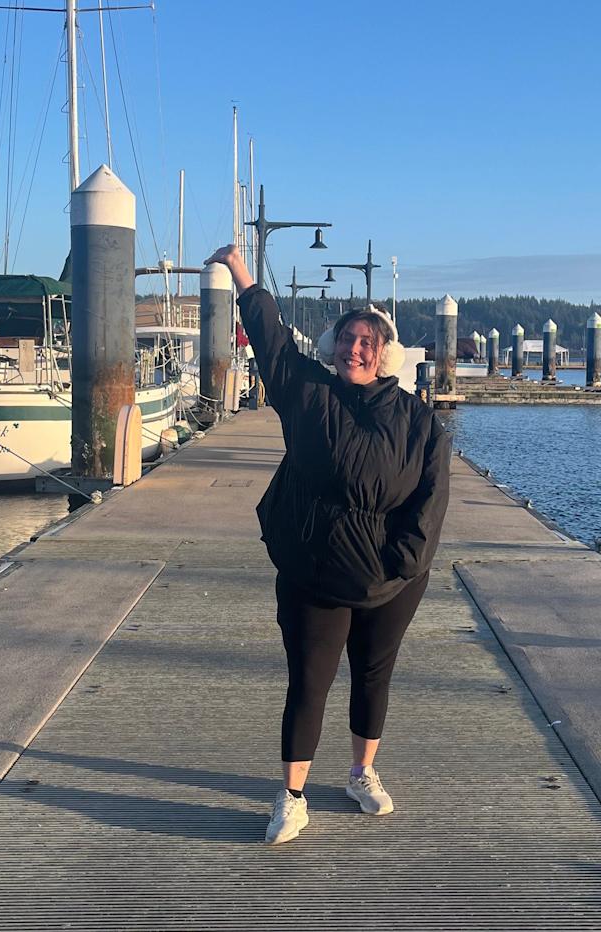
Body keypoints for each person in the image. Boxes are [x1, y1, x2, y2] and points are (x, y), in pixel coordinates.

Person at [205, 245, 450, 845]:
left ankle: (362, 774)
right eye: (346, 339)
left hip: (390, 582)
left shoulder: (419, 422)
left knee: (373, 675)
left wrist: (399, 566)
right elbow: (272, 342)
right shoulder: (308, 393)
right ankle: (291, 797)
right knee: (308, 681)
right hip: (314, 571)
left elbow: (430, 502)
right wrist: (242, 276)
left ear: (385, 354)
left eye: (367, 341)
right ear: (333, 347)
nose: (354, 349)